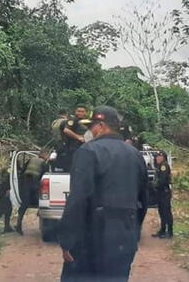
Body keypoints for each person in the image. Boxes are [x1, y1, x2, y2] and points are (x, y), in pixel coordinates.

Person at [58, 106, 148, 282]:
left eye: (91, 127)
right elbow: (143, 200)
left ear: (100, 126)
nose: (90, 131)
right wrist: (133, 232)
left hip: (92, 237)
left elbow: (78, 199)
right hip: (125, 237)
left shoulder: (88, 151)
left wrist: (67, 239)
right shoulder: (135, 154)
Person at [15, 154, 46, 235]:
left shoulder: (31, 159)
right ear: (45, 155)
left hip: (26, 181)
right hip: (35, 182)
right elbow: (45, 175)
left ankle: (18, 224)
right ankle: (40, 213)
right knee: (41, 200)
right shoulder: (44, 162)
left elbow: (22, 171)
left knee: (24, 203)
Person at [57, 105, 89, 171]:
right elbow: (66, 130)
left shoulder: (88, 122)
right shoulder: (73, 120)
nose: (80, 113)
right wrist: (78, 137)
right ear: (75, 112)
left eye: (82, 111)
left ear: (86, 113)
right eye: (78, 111)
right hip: (72, 149)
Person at [152, 150, 173, 239]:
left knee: (166, 212)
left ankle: (170, 231)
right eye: (156, 157)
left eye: (158, 157)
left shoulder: (164, 166)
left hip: (164, 192)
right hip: (160, 192)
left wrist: (154, 185)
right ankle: (162, 230)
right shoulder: (159, 166)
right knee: (161, 212)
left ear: (163, 157)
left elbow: (162, 180)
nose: (157, 158)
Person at [0, 168, 14, 234]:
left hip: (4, 192)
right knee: (0, 210)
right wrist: (7, 190)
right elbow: (3, 183)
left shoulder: (8, 171)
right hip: (3, 193)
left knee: (9, 209)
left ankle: (7, 227)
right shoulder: (8, 172)